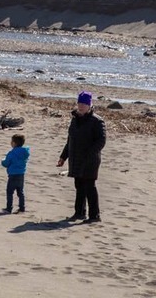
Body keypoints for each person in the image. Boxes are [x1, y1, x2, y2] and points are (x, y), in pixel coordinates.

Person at [56, 91, 106, 223]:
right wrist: (63, 157)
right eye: (80, 103)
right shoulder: (74, 119)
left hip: (91, 160)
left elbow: (101, 141)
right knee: (79, 185)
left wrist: (89, 154)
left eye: (84, 103)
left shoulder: (97, 121)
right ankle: (79, 213)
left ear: (90, 105)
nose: (81, 106)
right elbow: (70, 140)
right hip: (75, 157)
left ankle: (95, 216)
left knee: (90, 186)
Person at [1, 133, 30, 213]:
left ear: (14, 143)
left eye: (11, 141)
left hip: (13, 175)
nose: (11, 143)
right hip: (21, 175)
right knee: (20, 192)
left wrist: (2, 161)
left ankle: (9, 208)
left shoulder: (12, 153)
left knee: (9, 192)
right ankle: (22, 208)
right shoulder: (25, 152)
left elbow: (6, 163)